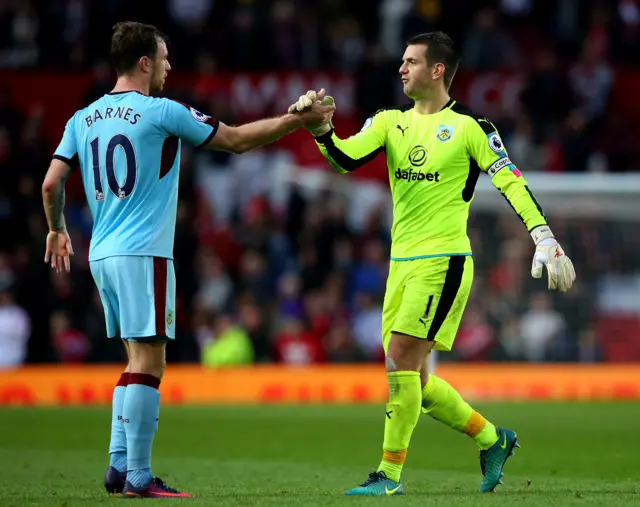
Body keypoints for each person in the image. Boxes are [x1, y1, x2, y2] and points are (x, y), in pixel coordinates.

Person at [41, 21, 333, 499]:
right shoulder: (161, 112)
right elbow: (237, 140)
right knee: (151, 361)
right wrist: (295, 120)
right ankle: (139, 476)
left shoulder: (81, 118)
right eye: (163, 57)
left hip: (100, 254)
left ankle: (118, 467)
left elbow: (51, 184)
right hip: (144, 252)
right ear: (144, 63)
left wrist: (56, 230)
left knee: (134, 358)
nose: (169, 66)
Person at [289, 31, 575, 495]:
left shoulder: (472, 128)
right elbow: (344, 158)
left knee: (400, 357)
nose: (401, 68)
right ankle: (492, 438)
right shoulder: (388, 122)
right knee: (414, 380)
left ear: (437, 70)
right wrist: (320, 128)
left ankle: (388, 474)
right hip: (401, 263)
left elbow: (511, 182)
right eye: (402, 61)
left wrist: (542, 235)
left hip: (445, 260)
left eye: (411, 61)